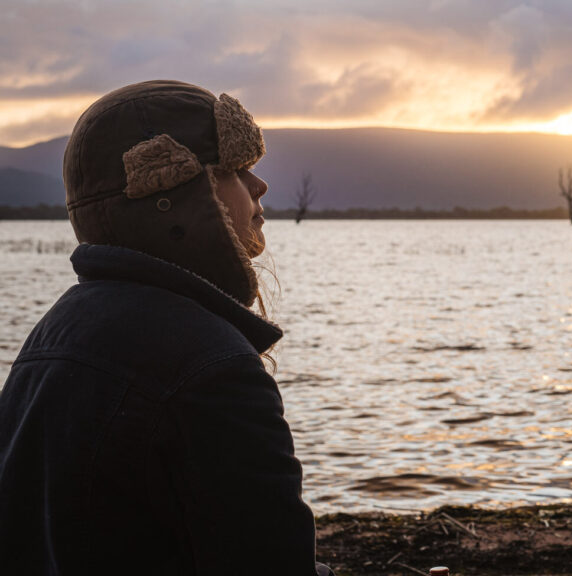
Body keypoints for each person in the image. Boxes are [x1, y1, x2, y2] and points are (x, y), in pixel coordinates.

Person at [0, 80, 334, 575]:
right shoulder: (214, 369)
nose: (260, 187)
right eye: (237, 170)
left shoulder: (52, 334)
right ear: (177, 197)